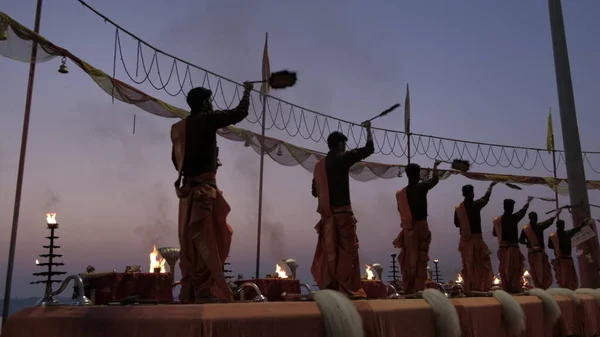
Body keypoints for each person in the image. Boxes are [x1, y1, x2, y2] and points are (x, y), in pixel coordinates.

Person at [171, 82, 253, 304]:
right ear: (205, 103)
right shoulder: (207, 119)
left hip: (187, 194)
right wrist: (247, 92)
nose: (211, 103)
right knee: (209, 240)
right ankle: (204, 291)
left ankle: (191, 291)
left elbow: (175, 162)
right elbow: (240, 113)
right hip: (204, 193)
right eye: (210, 100)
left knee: (191, 244)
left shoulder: (178, 128)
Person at [310, 122, 374, 300]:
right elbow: (369, 148)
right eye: (344, 144)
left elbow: (314, 191)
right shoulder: (342, 159)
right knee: (348, 253)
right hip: (344, 216)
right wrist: (368, 129)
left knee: (331, 253)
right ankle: (346, 290)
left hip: (328, 218)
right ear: (339, 145)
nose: (345, 147)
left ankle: (332, 288)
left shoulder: (319, 167)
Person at [393, 160, 442, 294]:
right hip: (420, 228)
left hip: (408, 231)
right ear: (418, 174)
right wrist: (435, 166)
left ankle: (409, 287)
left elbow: (400, 210)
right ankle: (418, 288)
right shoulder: (421, 187)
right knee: (420, 259)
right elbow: (435, 180)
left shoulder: (400, 194)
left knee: (409, 259)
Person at [454, 182, 497, 292]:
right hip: (477, 240)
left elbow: (456, 223)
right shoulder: (476, 205)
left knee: (469, 266)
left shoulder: (458, 209)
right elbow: (486, 199)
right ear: (472, 194)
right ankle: (481, 287)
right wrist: (490, 187)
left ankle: (470, 287)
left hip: (465, 241)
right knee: (482, 264)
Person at [492, 197, 532, 293]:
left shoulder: (498, 220)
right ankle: (514, 288)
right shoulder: (514, 218)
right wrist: (527, 202)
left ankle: (506, 288)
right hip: (513, 249)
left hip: (503, 250)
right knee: (514, 270)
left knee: (504, 270)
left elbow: (494, 233)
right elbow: (523, 211)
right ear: (511, 208)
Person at [518, 210, 560, 290]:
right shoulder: (538, 226)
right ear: (535, 218)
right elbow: (549, 222)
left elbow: (521, 240)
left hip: (533, 253)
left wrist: (527, 243)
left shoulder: (526, 229)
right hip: (538, 253)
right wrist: (555, 216)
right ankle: (541, 286)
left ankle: (539, 285)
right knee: (541, 270)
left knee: (536, 270)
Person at [548, 218, 590, 290]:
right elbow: (576, 230)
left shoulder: (554, 235)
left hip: (563, 260)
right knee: (567, 277)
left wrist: (556, 247)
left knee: (565, 277)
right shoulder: (566, 234)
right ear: (562, 226)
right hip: (564, 259)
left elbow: (550, 246)